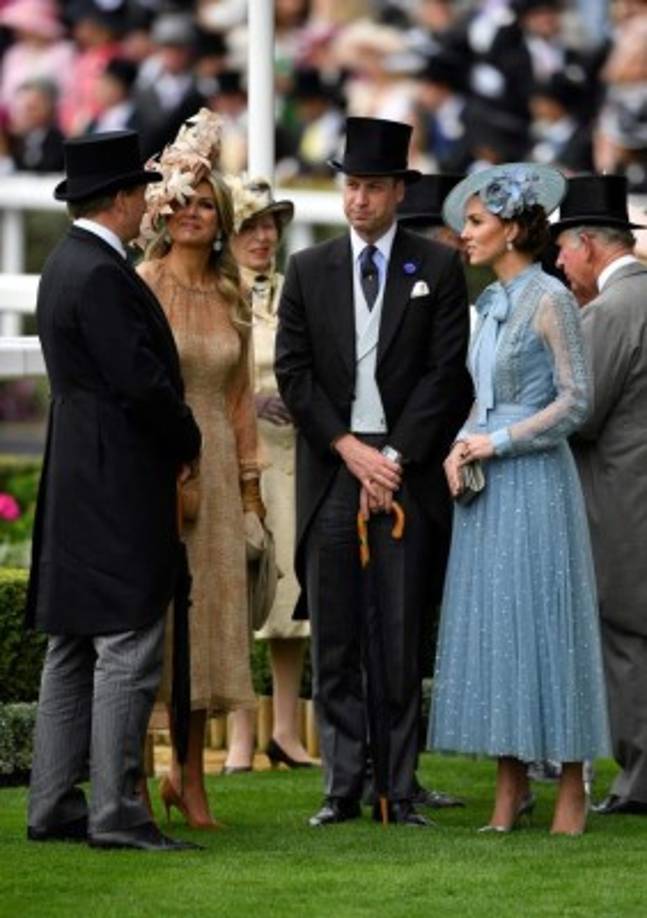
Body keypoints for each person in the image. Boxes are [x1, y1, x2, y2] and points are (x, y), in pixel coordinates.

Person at [275, 116, 472, 828]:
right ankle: (341, 786)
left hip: (403, 471)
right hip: (335, 467)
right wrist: (348, 450)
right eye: (350, 186)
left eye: (371, 187)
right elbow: (294, 375)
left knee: (397, 630)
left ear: (396, 191)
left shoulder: (438, 268)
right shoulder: (309, 268)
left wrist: (390, 458)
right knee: (334, 635)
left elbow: (444, 376)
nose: (357, 199)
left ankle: (400, 785)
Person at [25, 130, 202, 852]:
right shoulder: (100, 273)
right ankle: (116, 810)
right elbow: (139, 381)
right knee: (128, 636)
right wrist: (186, 438)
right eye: (142, 192)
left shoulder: (63, 263)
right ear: (125, 198)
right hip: (115, 473)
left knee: (72, 641)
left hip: (74, 465)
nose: (146, 203)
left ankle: (53, 801)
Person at [428, 162, 610, 836]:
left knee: (546, 627)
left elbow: (575, 400)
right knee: (496, 631)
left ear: (510, 229)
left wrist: (495, 443)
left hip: (535, 485)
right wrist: (458, 444)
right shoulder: (490, 304)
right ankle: (507, 793)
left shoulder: (548, 298)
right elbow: (481, 398)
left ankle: (568, 785)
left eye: (474, 223)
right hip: (487, 491)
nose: (464, 235)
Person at [137, 109, 262, 829]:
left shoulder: (231, 294)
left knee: (209, 626)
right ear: (164, 211)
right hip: (159, 469)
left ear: (221, 220)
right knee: (156, 622)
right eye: (182, 201)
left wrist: (250, 489)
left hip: (215, 468)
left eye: (207, 204)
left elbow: (242, 398)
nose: (194, 213)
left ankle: (191, 776)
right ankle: (147, 771)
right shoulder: (144, 282)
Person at [553, 173, 647, 816]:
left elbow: (579, 414)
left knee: (627, 638)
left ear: (588, 244)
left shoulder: (611, 310)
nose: (559, 261)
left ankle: (639, 780)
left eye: (563, 247)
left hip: (624, 498)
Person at [223, 175, 314, 773]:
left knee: (289, 595)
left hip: (292, 456)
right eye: (249, 225)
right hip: (233, 456)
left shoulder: (296, 289)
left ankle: (284, 730)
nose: (262, 237)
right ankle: (237, 736)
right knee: (234, 591)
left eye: (270, 224)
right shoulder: (214, 292)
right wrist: (247, 402)